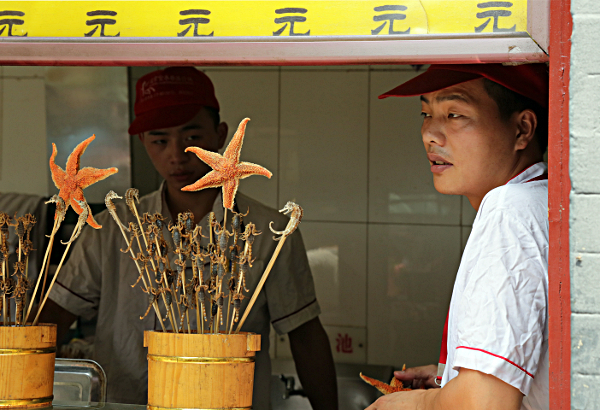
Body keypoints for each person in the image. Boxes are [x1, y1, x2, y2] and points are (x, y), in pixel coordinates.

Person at [40, 67, 338, 409]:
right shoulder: (111, 229)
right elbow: (54, 318)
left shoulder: (271, 233)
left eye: (191, 137)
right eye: (159, 140)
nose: (177, 154)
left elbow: (305, 336)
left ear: (221, 135)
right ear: (143, 142)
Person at [367, 64, 549, 410]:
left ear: (522, 130)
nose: (429, 135)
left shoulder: (509, 209)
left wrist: (415, 404)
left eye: (454, 114)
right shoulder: (538, 200)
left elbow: (483, 403)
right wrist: (447, 376)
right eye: (425, 113)